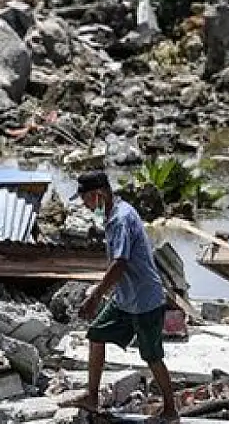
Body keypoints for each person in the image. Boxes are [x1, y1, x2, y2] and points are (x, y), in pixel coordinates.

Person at [73, 171, 179, 422]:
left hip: (145, 299)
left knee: (152, 355)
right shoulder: (111, 213)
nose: (86, 207)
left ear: (98, 195)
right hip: (125, 297)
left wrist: (96, 296)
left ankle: (171, 410)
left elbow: (120, 263)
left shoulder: (121, 218)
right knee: (96, 334)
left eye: (87, 200)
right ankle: (92, 397)